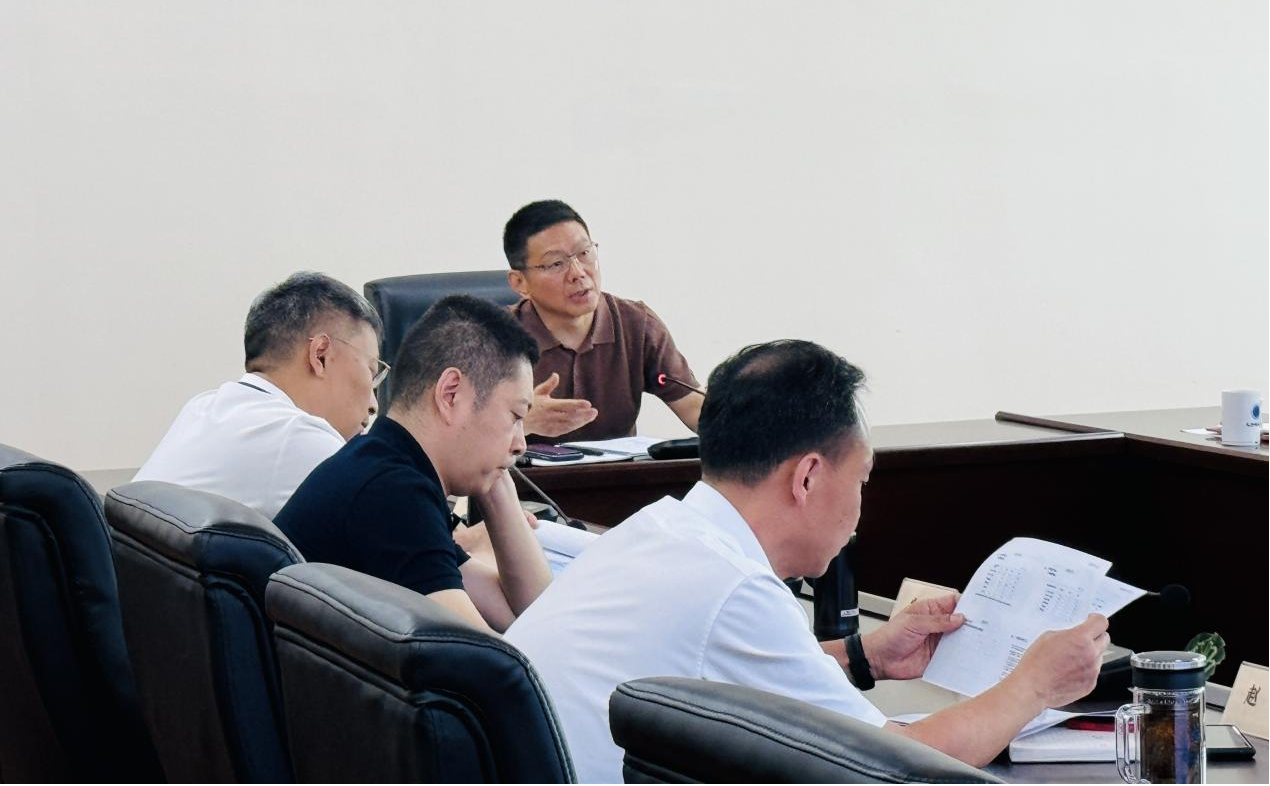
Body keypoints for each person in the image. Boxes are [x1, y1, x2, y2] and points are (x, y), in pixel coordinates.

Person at [506, 340, 1109, 782]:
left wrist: (865, 655)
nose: (861, 505)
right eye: (862, 479)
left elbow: (735, 675)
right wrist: (1035, 685)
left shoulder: (661, 530)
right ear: (808, 477)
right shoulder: (734, 587)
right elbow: (895, 768)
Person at [275, 295, 552, 633]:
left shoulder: (384, 464)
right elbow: (495, 657)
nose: (520, 444)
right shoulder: (390, 492)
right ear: (450, 394)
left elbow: (526, 617)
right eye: (515, 415)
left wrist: (496, 485)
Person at [134, 272, 383, 519]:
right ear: (321, 355)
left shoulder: (202, 407)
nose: (374, 405)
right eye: (371, 371)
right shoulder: (298, 437)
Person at [503, 199, 703, 442]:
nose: (578, 273)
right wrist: (523, 423)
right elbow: (463, 439)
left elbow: (694, 406)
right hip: (522, 469)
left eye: (584, 253)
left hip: (620, 468)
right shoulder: (494, 338)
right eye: (556, 263)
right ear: (520, 283)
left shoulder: (636, 324)